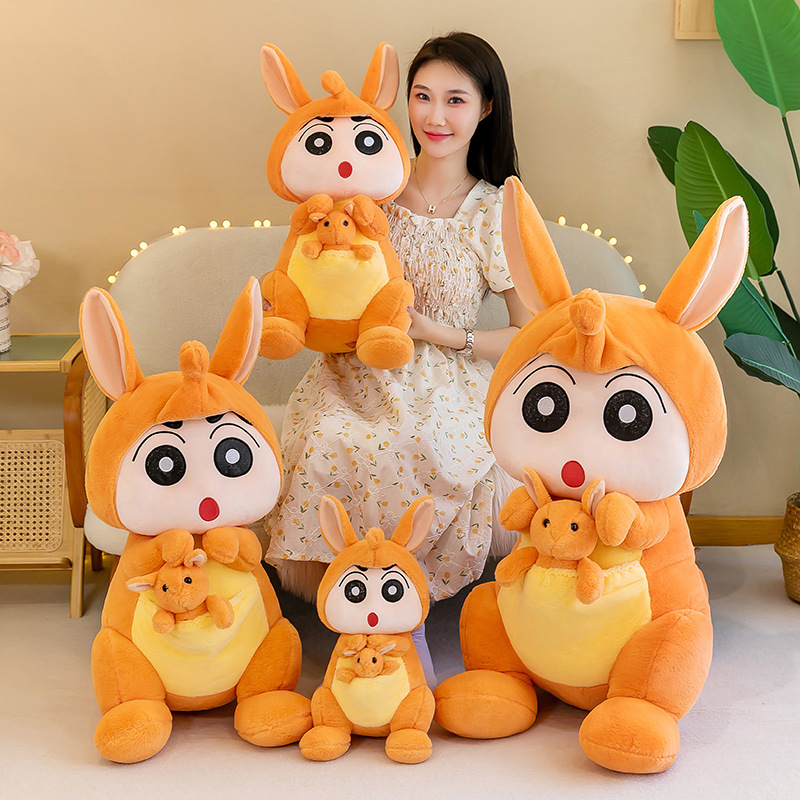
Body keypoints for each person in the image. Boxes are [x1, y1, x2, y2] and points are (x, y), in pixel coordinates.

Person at [265, 32, 529, 680]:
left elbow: (530, 330)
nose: (435, 116)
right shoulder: (369, 184)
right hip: (352, 367)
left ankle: (401, 618)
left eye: (455, 100)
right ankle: (351, 614)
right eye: (422, 96)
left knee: (427, 442)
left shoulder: (496, 209)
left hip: (448, 373)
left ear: (485, 108)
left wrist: (441, 335)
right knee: (328, 438)